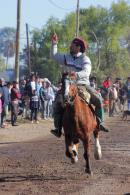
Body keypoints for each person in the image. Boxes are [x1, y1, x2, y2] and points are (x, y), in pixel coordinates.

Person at [50, 33, 109, 137]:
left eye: (72, 45)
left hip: (82, 85)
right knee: (57, 102)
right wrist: (54, 43)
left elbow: (86, 72)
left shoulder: (85, 59)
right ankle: (57, 128)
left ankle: (100, 123)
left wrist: (75, 75)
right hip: (68, 85)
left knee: (98, 98)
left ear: (78, 47)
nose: (70, 46)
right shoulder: (66, 57)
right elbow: (54, 56)